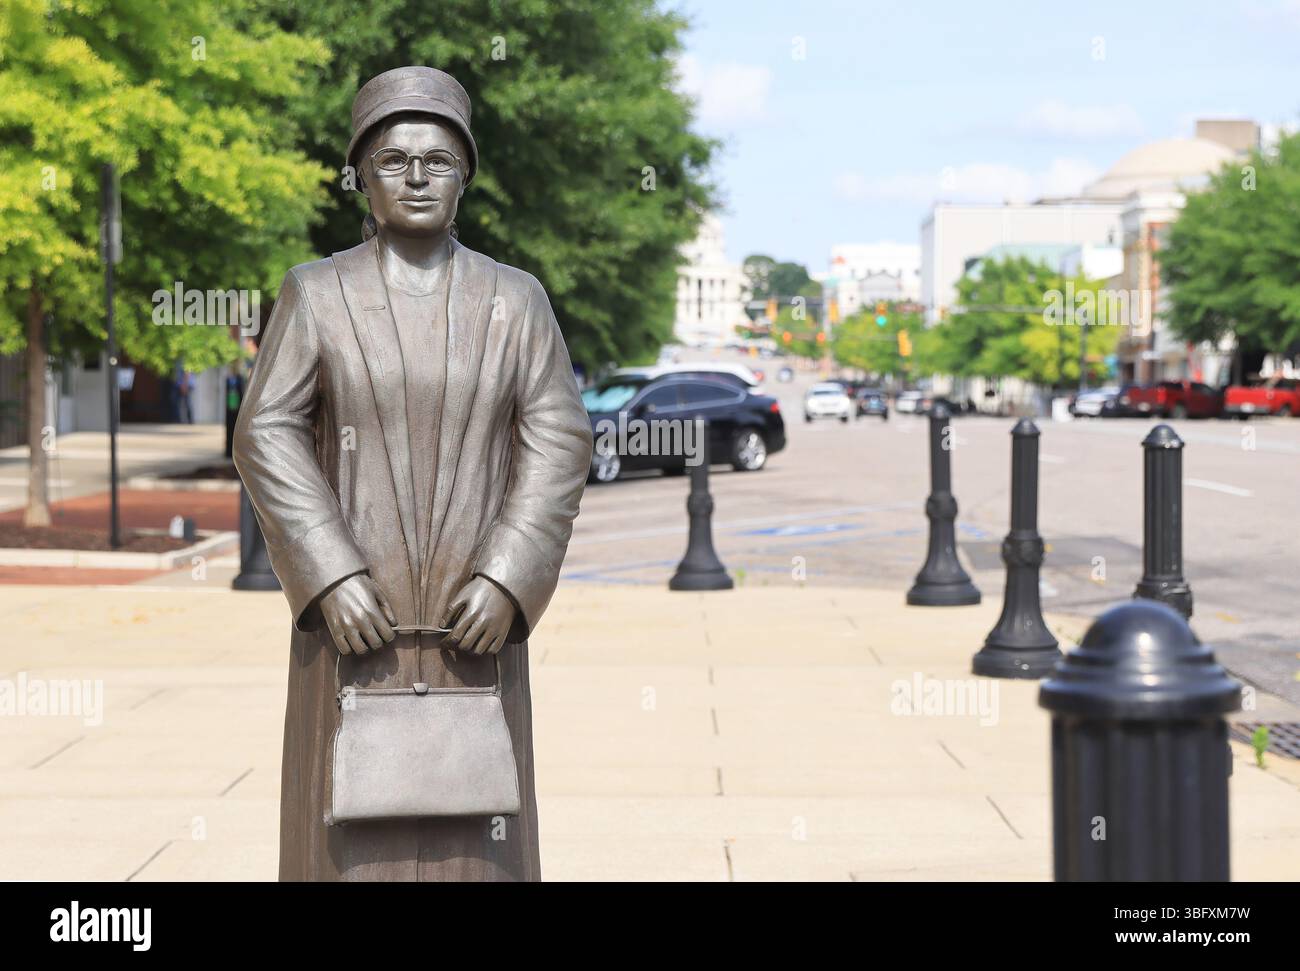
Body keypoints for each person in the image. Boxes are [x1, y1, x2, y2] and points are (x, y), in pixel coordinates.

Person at [233, 67, 592, 881]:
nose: (419, 175)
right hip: (354, 627)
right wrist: (328, 572)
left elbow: (560, 438)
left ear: (465, 172)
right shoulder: (317, 294)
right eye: (395, 159)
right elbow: (267, 428)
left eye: (439, 158)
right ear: (363, 176)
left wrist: (509, 575)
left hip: (476, 626)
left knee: (478, 838)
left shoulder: (516, 300)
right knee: (348, 840)